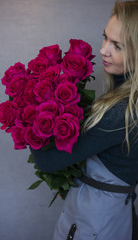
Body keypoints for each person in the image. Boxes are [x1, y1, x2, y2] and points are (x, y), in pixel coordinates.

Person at [30, 1, 138, 239]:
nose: (103, 50)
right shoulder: (123, 101)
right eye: (105, 38)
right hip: (103, 215)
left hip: (96, 223)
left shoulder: (121, 113)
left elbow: (48, 163)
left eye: (117, 46)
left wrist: (28, 118)